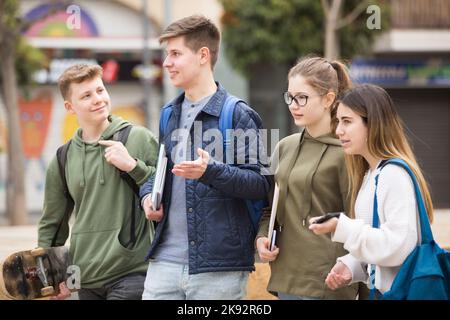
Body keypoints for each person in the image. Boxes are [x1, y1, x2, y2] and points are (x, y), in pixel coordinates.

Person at [139, 15, 271, 300]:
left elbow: (260, 184)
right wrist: (148, 197)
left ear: (202, 55)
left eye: (175, 54)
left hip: (218, 272)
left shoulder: (238, 114)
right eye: (166, 54)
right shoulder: (168, 114)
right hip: (163, 265)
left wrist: (211, 171)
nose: (166, 62)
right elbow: (158, 172)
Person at [38, 64, 159, 300]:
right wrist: (53, 276)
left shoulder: (138, 138)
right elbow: (52, 224)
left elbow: (166, 189)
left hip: (132, 273)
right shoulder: (63, 158)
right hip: (84, 277)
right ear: (70, 107)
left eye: (100, 90)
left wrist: (134, 166)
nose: (98, 99)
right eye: (86, 95)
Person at [309, 84, 433, 298]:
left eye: (347, 121)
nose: (339, 130)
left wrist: (343, 227)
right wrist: (352, 266)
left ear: (373, 124)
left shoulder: (392, 174)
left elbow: (399, 246)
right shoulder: (371, 175)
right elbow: (381, 245)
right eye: (338, 121)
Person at [256, 56, 360, 300]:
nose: (293, 105)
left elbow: (359, 221)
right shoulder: (284, 147)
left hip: (328, 280)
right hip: (286, 276)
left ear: (328, 99)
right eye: (290, 97)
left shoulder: (349, 152)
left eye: (301, 97)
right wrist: (262, 237)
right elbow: (269, 208)